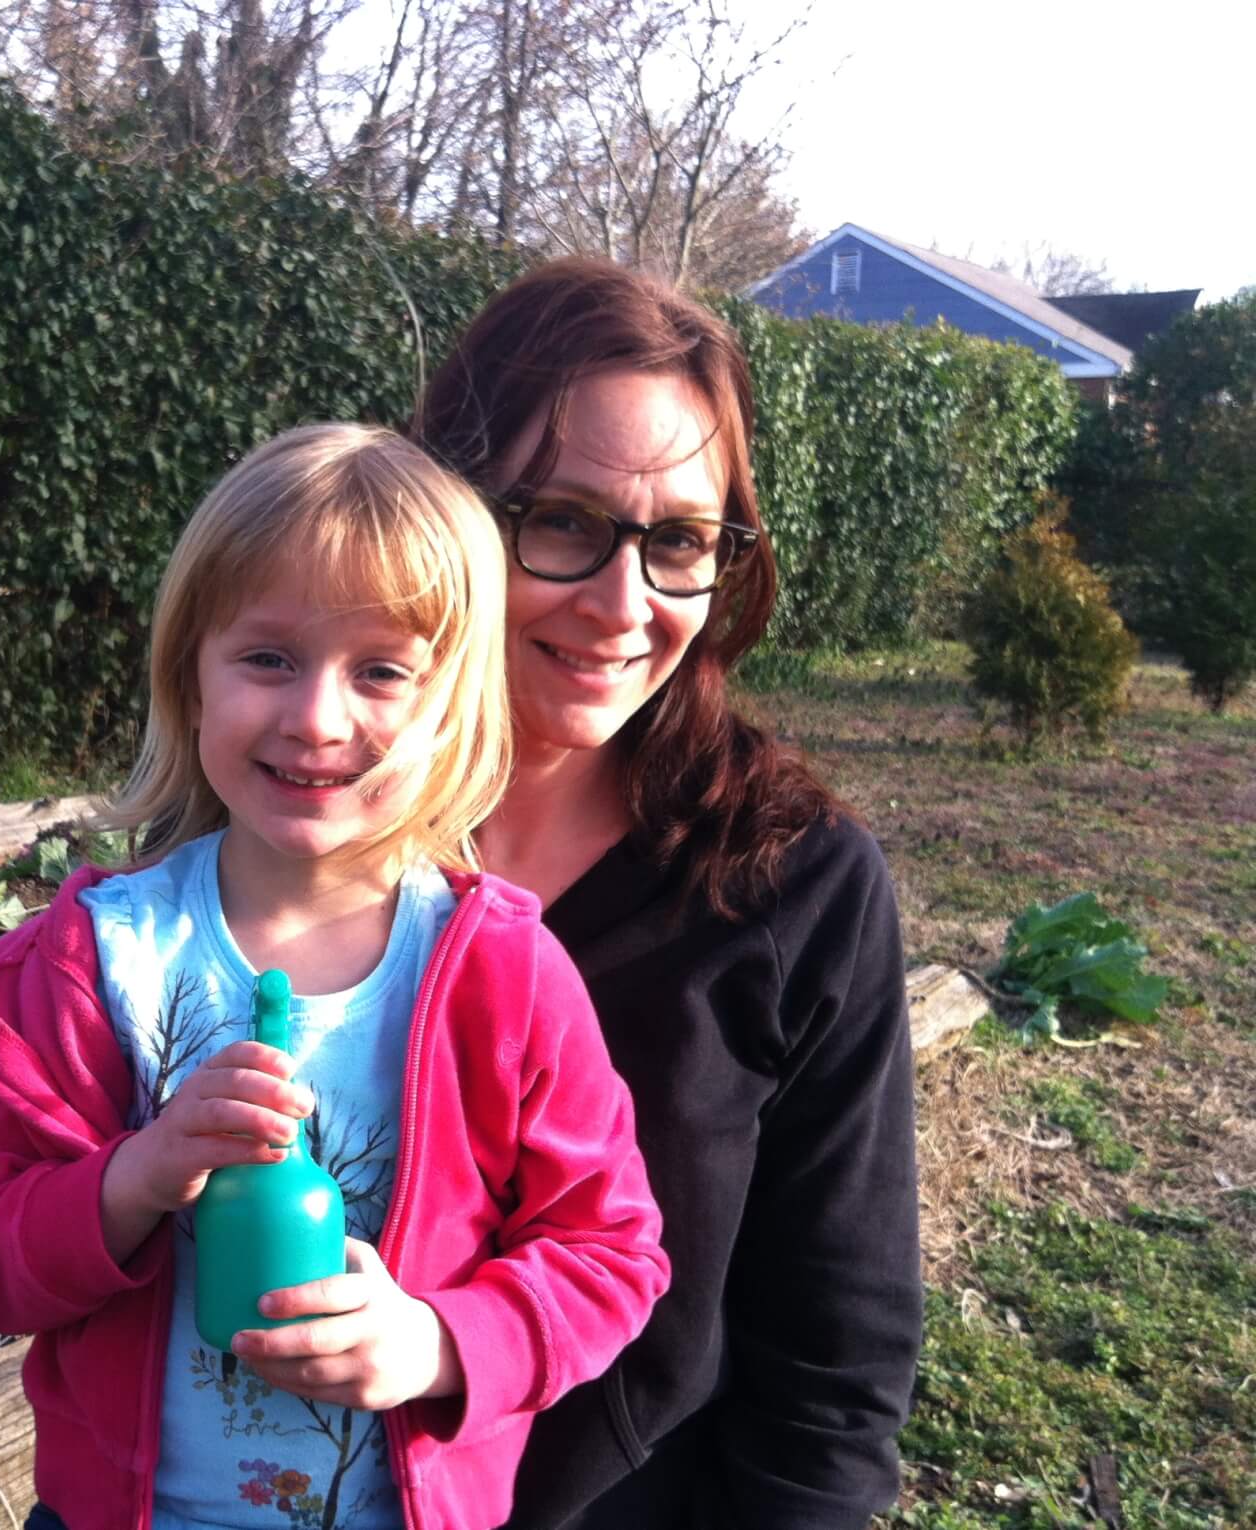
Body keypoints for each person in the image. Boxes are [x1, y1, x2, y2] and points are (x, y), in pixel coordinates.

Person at [0, 422, 671, 1530]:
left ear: (450, 709)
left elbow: (609, 1257)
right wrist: (134, 1175)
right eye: (267, 658)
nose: (316, 718)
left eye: (381, 671)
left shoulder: (502, 976)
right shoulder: (94, 961)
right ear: (190, 673)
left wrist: (433, 1344)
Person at [409, 258, 923, 1529]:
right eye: (565, 521)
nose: (621, 605)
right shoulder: (294, 826)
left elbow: (834, 1362)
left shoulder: (791, 885)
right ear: (444, 508)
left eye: (681, 541)